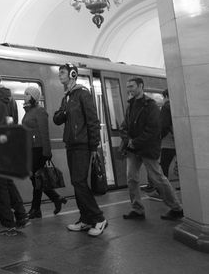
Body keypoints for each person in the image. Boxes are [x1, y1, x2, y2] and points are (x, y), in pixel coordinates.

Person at [53, 63, 107, 237]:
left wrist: (94, 146)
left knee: (79, 182)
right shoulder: (67, 97)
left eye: (63, 72)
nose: (60, 75)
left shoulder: (83, 94)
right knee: (77, 183)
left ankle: (98, 218)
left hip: (82, 145)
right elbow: (57, 119)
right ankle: (85, 219)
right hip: (71, 144)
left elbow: (92, 120)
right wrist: (63, 113)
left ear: (73, 74)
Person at [120, 77, 183, 221]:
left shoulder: (151, 105)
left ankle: (176, 208)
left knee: (157, 178)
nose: (129, 89)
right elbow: (124, 126)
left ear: (140, 86)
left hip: (147, 149)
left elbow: (153, 129)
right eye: (128, 87)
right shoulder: (130, 105)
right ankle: (137, 209)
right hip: (133, 150)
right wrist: (127, 140)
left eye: (132, 86)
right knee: (132, 179)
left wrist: (135, 142)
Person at [0, 68, 29, 235]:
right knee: (8, 183)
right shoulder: (10, 99)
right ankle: (21, 216)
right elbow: (15, 122)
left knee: (0, 186)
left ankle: (7, 223)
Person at [21, 86, 67, 219]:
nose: (24, 96)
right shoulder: (28, 111)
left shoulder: (40, 111)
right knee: (37, 179)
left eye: (27, 94)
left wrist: (46, 152)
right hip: (31, 150)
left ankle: (36, 209)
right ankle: (56, 199)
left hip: (38, 150)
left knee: (36, 179)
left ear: (33, 97)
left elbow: (44, 133)